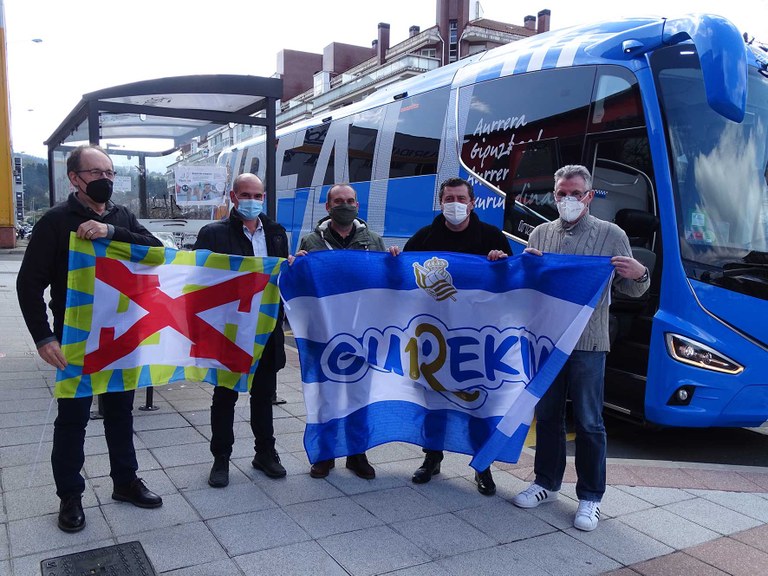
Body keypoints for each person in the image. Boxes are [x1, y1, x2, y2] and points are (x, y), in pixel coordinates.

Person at [16, 144, 164, 533]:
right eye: (96, 173)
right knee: (73, 419)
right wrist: (44, 337)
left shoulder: (122, 215)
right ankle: (70, 495)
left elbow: (156, 253)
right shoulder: (55, 221)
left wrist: (112, 231)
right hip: (76, 339)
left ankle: (125, 481)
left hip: (120, 334)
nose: (105, 180)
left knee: (120, 412)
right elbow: (28, 284)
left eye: (110, 173)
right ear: (75, 179)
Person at [511, 164, 650, 531]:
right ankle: (546, 483)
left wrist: (641, 275)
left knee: (589, 421)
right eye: (561, 194)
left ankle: (590, 497)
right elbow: (528, 288)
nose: (568, 200)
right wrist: (522, 268)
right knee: (549, 416)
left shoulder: (611, 234)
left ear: (589, 196)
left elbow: (631, 289)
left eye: (575, 193)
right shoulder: (540, 234)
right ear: (553, 195)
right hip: (548, 341)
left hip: (589, 343)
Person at [396, 176, 511, 496]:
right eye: (449, 199)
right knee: (433, 401)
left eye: (461, 199)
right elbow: (402, 280)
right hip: (432, 335)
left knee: (478, 404)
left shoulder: (491, 237)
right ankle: (432, 458)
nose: (455, 205)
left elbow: (509, 285)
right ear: (441, 202)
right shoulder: (423, 238)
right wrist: (394, 259)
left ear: (472, 203)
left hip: (475, 337)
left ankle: (482, 466)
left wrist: (502, 263)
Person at [194, 173, 289, 488]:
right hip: (229, 330)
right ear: (233, 198)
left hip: (265, 328)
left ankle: (265, 453)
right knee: (225, 397)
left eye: (258, 195)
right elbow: (198, 279)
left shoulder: (275, 232)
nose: (252, 201)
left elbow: (280, 277)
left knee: (264, 396)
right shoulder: (213, 234)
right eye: (246, 195)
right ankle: (220, 459)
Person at [294, 183, 384, 480]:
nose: (345, 205)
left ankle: (357, 454)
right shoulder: (311, 241)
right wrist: (297, 266)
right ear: (327, 207)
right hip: (325, 332)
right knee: (326, 396)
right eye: (338, 201)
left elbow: (386, 283)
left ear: (357, 205)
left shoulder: (373, 241)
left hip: (363, 332)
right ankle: (326, 454)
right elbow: (301, 286)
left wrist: (394, 262)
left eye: (350, 201)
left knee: (360, 395)